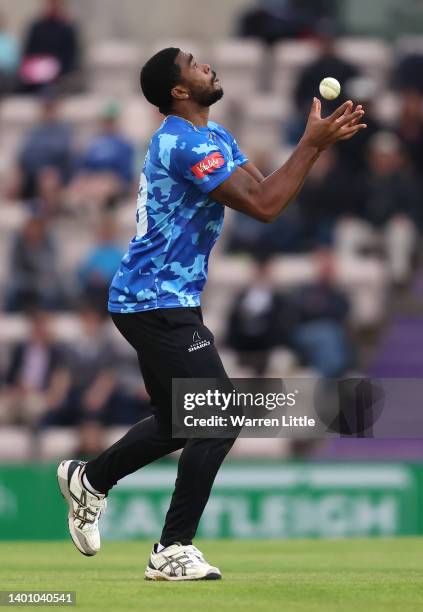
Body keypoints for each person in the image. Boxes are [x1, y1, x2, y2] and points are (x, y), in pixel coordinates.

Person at [56, 47, 366, 580]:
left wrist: (312, 149)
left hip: (160, 299)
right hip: (155, 300)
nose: (207, 66)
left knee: (181, 422)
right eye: (195, 64)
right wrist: (309, 145)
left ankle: (90, 479)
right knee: (218, 416)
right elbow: (265, 205)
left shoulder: (215, 136)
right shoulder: (180, 142)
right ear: (178, 91)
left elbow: (267, 196)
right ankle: (172, 549)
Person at [67, 101, 135, 210]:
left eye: (111, 120)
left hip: (113, 181)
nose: (108, 124)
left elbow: (126, 173)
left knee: (100, 191)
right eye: (105, 120)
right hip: (93, 179)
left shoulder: (123, 144)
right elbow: (84, 166)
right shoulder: (93, 142)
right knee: (74, 192)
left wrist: (109, 179)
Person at [18, 0, 80, 93]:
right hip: (37, 70)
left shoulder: (67, 28)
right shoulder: (37, 27)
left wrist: (55, 66)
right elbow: (29, 51)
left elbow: (71, 54)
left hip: (61, 72)